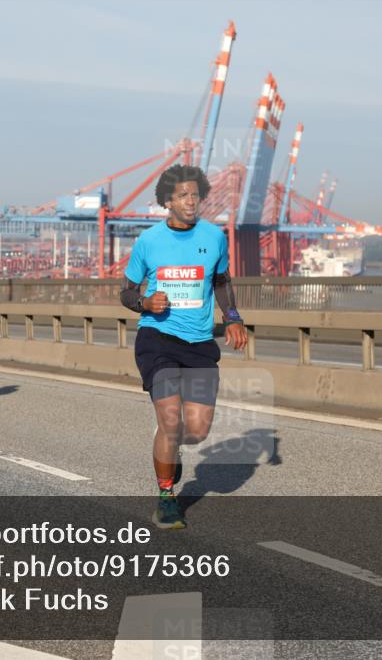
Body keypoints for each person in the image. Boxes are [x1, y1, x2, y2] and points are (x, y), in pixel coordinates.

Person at [120, 165, 248, 529]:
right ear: (166, 202)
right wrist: (145, 303)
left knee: (197, 430)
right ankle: (166, 498)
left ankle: (169, 443)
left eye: (195, 195)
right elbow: (126, 292)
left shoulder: (215, 237)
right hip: (157, 339)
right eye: (183, 196)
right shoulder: (148, 242)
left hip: (199, 344)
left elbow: (221, 280)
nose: (191, 201)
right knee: (171, 420)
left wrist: (234, 316)